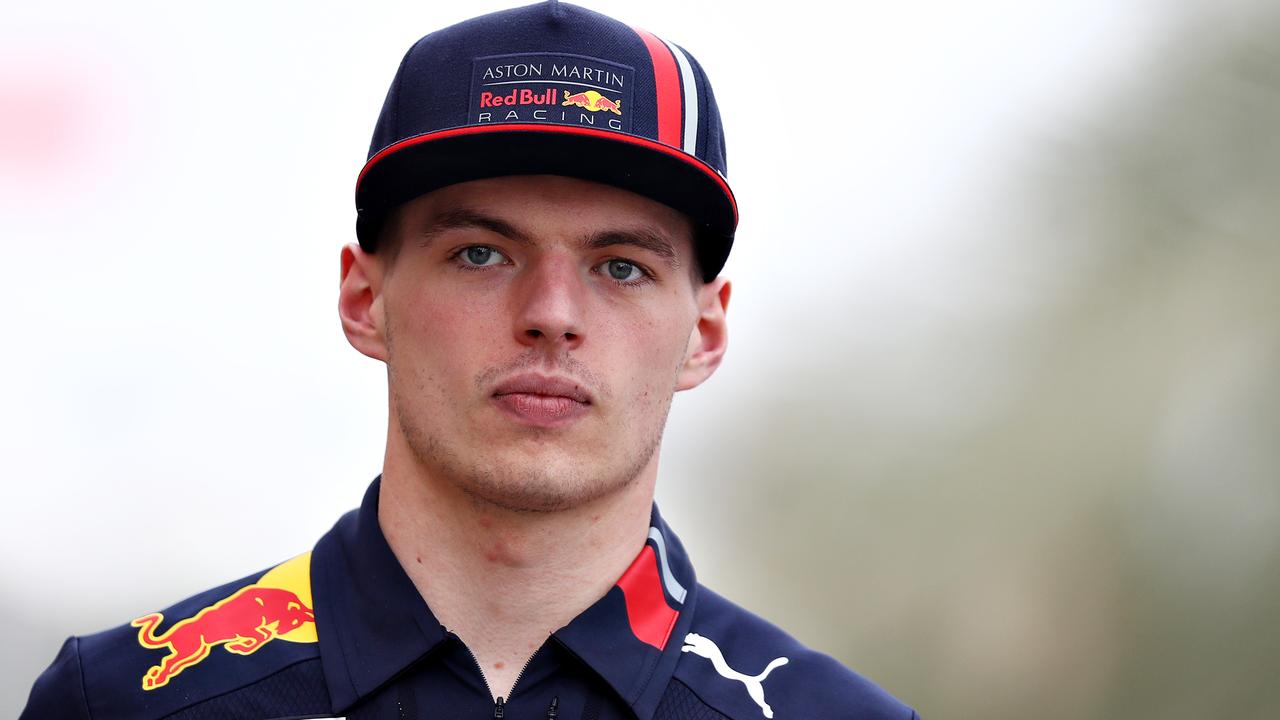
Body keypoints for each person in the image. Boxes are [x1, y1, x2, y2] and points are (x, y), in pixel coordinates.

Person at [21, 2, 919, 718]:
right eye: (481, 254)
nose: (552, 317)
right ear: (365, 300)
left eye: (621, 267)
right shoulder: (126, 700)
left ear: (705, 333)